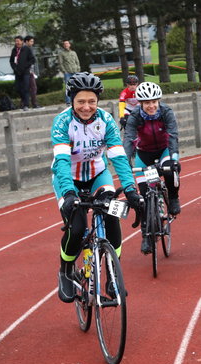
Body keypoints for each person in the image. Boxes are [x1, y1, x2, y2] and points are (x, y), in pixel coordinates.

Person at [51, 72, 143, 303]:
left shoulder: (106, 120)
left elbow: (118, 157)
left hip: (97, 175)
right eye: (81, 101)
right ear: (71, 100)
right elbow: (61, 162)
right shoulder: (62, 122)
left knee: (112, 214)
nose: (86, 106)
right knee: (78, 224)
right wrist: (69, 193)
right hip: (68, 179)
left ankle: (113, 274)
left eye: (91, 101)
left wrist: (131, 190)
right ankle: (65, 270)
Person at [123, 82, 181, 254]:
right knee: (143, 196)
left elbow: (172, 136)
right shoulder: (134, 117)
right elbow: (129, 140)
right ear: (140, 103)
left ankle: (174, 197)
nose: (151, 106)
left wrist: (174, 159)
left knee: (170, 171)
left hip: (164, 150)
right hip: (144, 154)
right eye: (147, 103)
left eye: (154, 101)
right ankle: (146, 236)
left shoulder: (166, 112)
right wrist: (125, 162)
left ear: (158, 101)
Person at [9, 35, 35, 111]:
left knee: (26, 88)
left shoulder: (26, 49)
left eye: (18, 41)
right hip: (17, 72)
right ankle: (23, 102)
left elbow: (32, 60)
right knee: (18, 88)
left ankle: (26, 105)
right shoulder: (14, 50)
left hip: (25, 72)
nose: (16, 42)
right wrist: (14, 68)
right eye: (15, 41)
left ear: (22, 41)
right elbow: (11, 61)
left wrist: (25, 66)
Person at [58, 40, 81, 105]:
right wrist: (64, 71)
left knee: (77, 86)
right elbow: (60, 63)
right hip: (67, 72)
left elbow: (77, 61)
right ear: (63, 46)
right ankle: (68, 102)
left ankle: (77, 100)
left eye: (67, 44)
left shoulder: (73, 53)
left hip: (75, 71)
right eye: (65, 44)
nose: (66, 45)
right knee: (68, 87)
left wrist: (78, 69)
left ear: (69, 45)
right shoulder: (61, 53)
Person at [24, 36, 42, 109]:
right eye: (31, 41)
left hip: (31, 72)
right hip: (27, 72)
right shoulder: (24, 50)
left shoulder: (30, 49)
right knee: (30, 88)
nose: (32, 43)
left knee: (32, 88)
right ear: (27, 41)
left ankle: (32, 104)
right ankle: (29, 104)